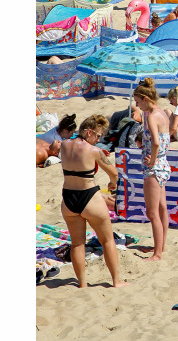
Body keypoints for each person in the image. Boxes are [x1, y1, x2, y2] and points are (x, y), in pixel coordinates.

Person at [59, 115, 128, 288]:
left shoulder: (64, 145)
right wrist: (112, 184)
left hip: (68, 198)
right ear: (89, 132)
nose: (98, 140)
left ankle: (82, 283)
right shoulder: (93, 151)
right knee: (107, 240)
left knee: (77, 244)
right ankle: (117, 281)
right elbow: (114, 173)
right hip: (89, 197)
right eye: (97, 136)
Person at [133, 78, 170, 261]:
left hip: (154, 168)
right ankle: (160, 247)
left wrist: (151, 160)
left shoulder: (153, 116)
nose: (137, 106)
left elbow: (156, 142)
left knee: (152, 212)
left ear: (146, 99)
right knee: (162, 208)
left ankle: (157, 254)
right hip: (163, 164)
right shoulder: (161, 112)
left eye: (138, 102)